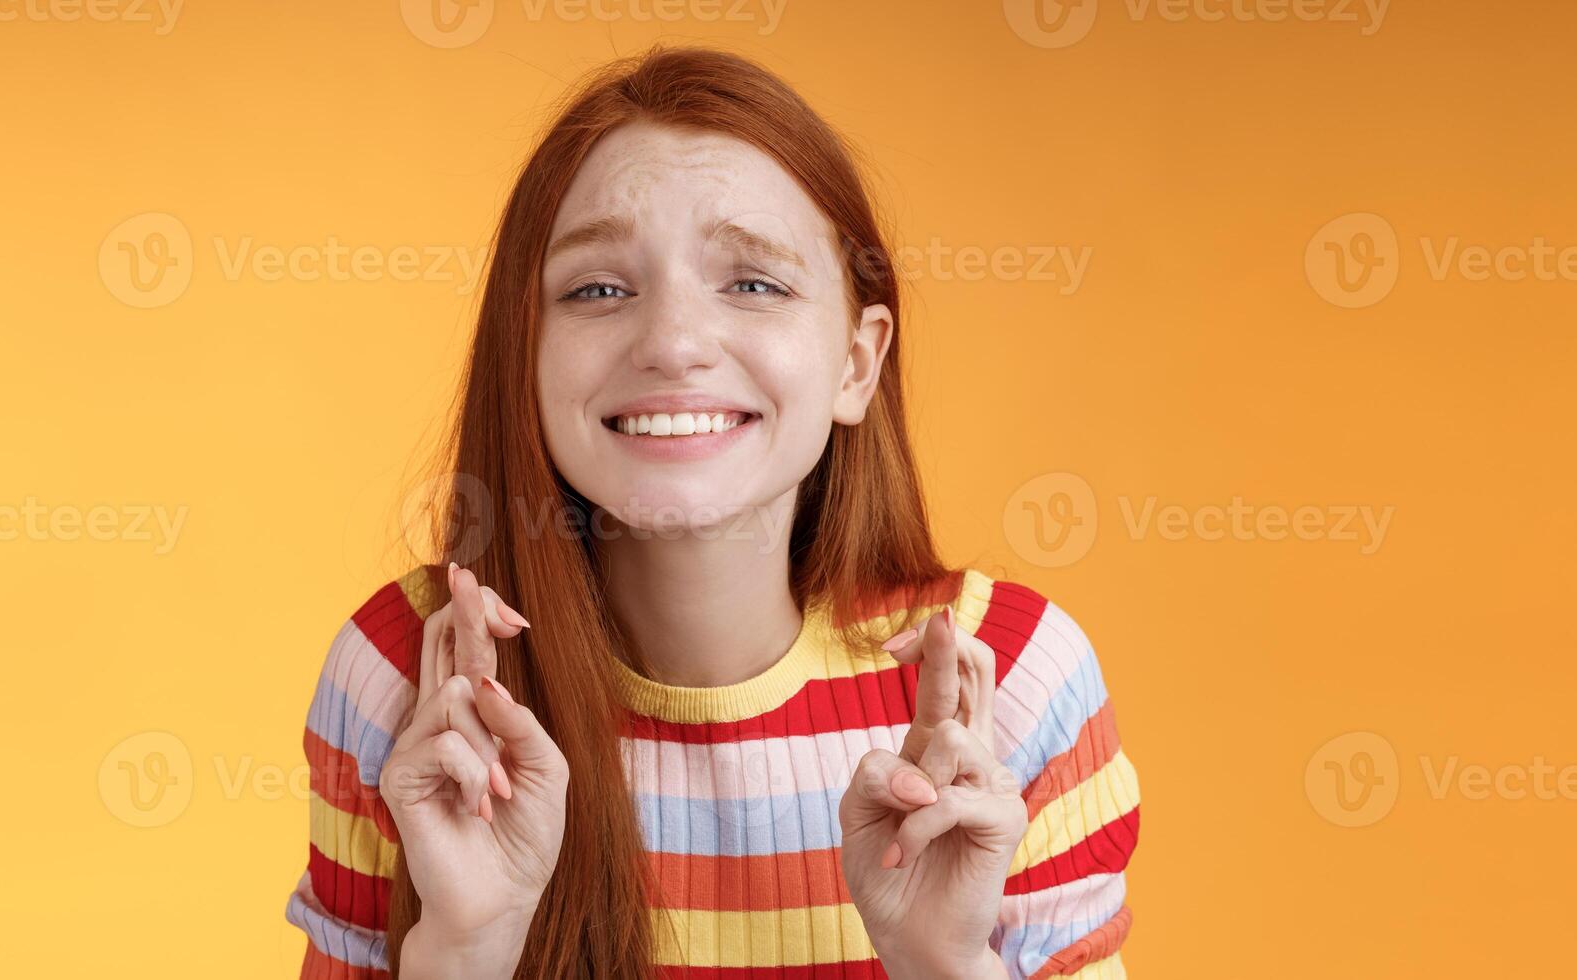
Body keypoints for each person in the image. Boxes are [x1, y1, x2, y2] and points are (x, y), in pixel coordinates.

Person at [289, 47, 1139, 979]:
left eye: (754, 283)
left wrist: (944, 964)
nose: (675, 343)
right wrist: (467, 949)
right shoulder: (406, 680)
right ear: (523, 352)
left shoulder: (1016, 681)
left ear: (857, 364)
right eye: (599, 289)